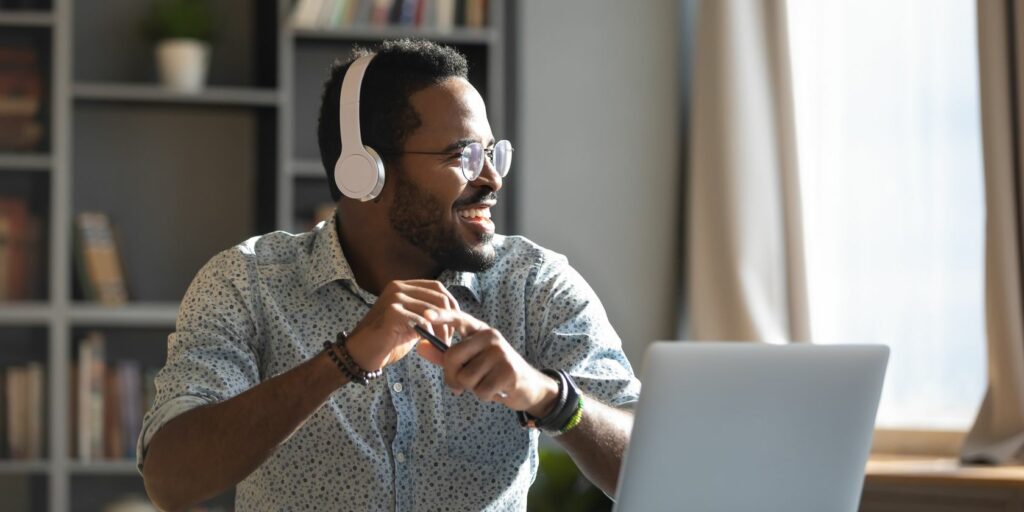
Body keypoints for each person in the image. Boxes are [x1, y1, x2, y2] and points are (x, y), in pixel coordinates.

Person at [137, 39, 639, 511]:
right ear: (364, 171)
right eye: (462, 156)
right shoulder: (247, 283)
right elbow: (170, 478)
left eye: (492, 152)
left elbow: (660, 464)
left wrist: (549, 397)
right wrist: (343, 360)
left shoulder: (534, 286)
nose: (492, 178)